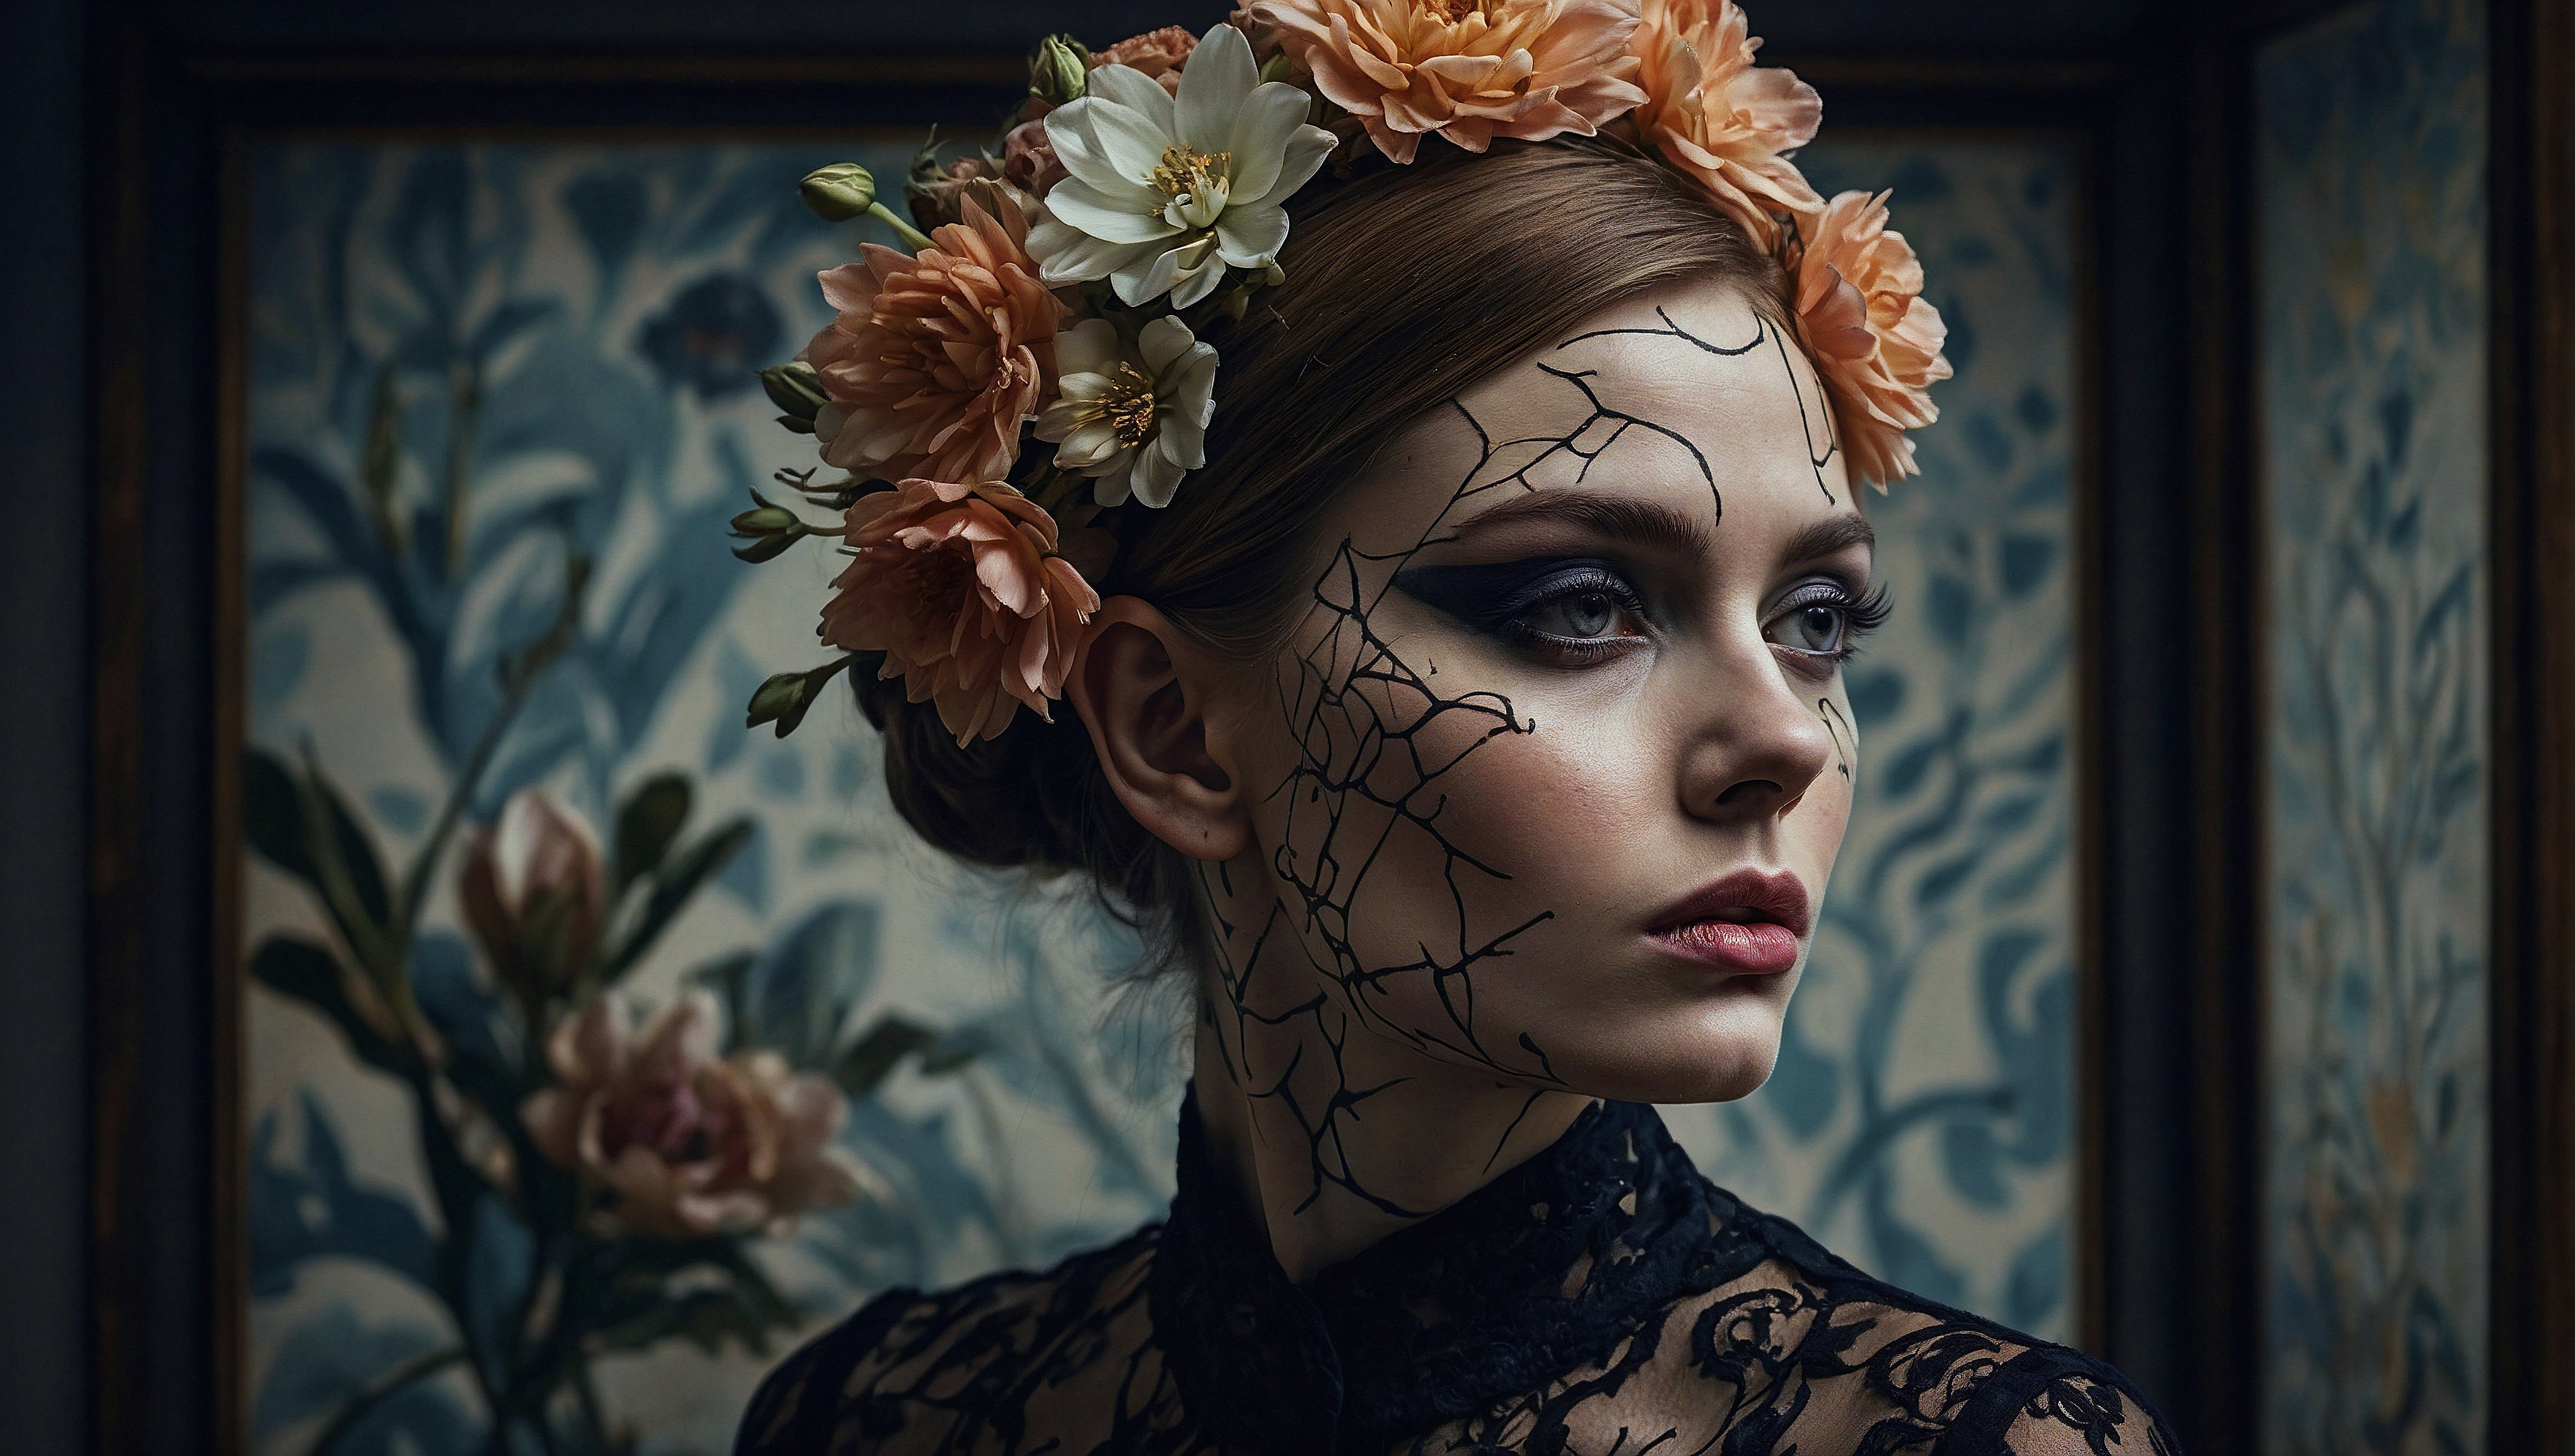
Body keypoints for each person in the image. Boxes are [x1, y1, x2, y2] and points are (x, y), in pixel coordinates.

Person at [728, 4, 2178, 1451]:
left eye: (1814, 623)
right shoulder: (876, 1423)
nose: (1785, 742)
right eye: (1576, 603)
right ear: (1171, 730)